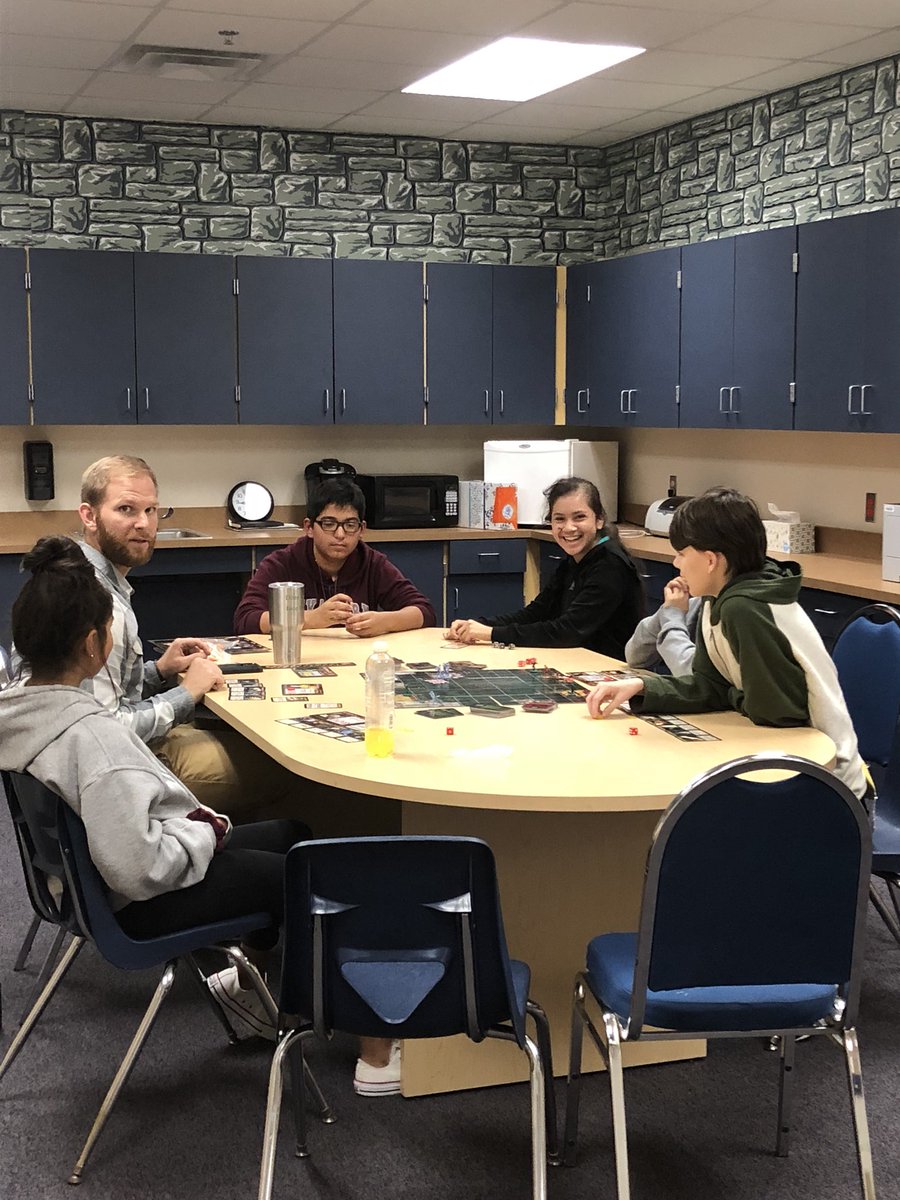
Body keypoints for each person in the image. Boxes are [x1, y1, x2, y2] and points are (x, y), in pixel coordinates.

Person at [0, 537, 399, 1090]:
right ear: (93, 646)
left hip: (85, 884)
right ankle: (376, 1052)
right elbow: (138, 868)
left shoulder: (26, 711)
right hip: (139, 900)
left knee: (294, 835)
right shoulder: (92, 742)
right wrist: (204, 833)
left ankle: (251, 993)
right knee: (320, 872)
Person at [585, 486, 869, 800]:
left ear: (710, 560)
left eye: (682, 554)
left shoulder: (745, 608)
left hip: (828, 786)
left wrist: (731, 694)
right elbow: (709, 685)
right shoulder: (716, 599)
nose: (676, 563)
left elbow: (778, 712)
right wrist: (643, 687)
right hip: (784, 764)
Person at [75, 454, 299, 822]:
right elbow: (108, 731)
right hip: (122, 770)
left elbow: (98, 692)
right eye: (126, 509)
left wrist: (160, 671)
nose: (143, 524)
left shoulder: (78, 577)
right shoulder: (100, 606)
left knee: (250, 740)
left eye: (151, 510)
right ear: (89, 515)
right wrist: (187, 693)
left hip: (99, 760)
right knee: (286, 760)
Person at [446, 477, 642, 659]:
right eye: (559, 519)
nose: (569, 528)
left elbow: (567, 632)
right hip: (577, 661)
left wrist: (491, 634)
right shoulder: (573, 561)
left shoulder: (611, 565)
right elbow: (536, 612)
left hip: (609, 672)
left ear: (599, 520)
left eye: (579, 517)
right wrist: (478, 625)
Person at [234, 477, 436, 637]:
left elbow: (424, 612)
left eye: (350, 525)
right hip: (300, 658)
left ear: (361, 529)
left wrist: (384, 622)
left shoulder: (372, 563)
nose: (340, 535)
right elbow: (245, 619)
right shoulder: (283, 563)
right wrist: (310, 619)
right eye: (329, 524)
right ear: (309, 527)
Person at [625, 575, 700, 676]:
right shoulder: (698, 603)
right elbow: (636, 657)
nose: (677, 566)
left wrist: (672, 615)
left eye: (682, 558)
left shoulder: (722, 612)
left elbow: (694, 673)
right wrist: (668, 610)